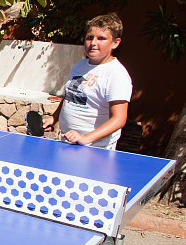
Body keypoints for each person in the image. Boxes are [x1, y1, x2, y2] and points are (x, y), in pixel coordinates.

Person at [43, 13, 132, 149]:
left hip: (96, 147)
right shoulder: (79, 66)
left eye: (101, 38)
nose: (93, 43)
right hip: (69, 141)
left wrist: (85, 138)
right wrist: (54, 118)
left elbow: (119, 119)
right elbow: (70, 96)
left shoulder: (116, 74)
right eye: (90, 38)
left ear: (115, 43)